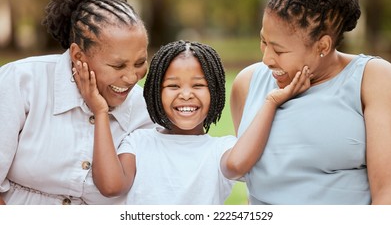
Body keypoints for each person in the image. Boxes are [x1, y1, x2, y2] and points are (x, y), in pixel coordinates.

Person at [73, 39, 311, 204]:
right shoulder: (138, 142)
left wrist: (271, 102)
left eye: (198, 85)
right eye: (173, 86)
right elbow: (111, 186)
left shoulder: (221, 150)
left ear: (215, 92)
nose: (186, 94)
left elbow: (237, 165)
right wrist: (101, 111)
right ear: (156, 91)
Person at [230, 0, 391, 205]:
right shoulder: (247, 83)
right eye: (263, 41)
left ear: (323, 46)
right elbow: (250, 184)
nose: (266, 58)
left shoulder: (373, 78)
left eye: (279, 50)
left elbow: (387, 193)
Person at [0, 0, 156, 205]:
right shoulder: (22, 82)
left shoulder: (145, 111)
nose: (132, 77)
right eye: (118, 65)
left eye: (140, 62)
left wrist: (101, 111)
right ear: (77, 55)